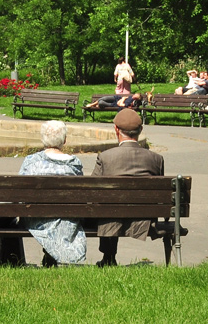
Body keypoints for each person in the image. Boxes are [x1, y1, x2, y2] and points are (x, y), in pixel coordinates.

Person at [92, 108, 165, 267]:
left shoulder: (105, 157)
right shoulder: (156, 159)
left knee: (108, 208)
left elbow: (93, 191)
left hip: (110, 218)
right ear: (140, 130)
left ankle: (109, 258)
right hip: (144, 218)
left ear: (116, 129)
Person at [19, 120, 86, 266]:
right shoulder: (74, 164)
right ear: (65, 140)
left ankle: (12, 258)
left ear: (42, 139)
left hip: (35, 218)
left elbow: (19, 193)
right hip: (67, 217)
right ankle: (51, 255)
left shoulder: (30, 161)